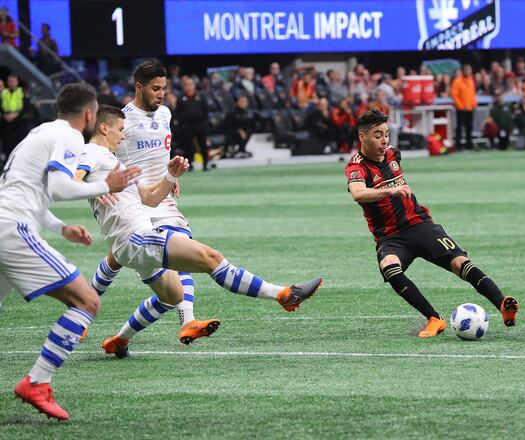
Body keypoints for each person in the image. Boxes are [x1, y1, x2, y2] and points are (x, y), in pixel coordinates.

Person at [75, 106, 322, 357]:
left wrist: (170, 176)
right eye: (120, 130)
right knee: (211, 259)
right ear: (104, 128)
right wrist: (94, 188)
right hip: (137, 238)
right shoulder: (92, 152)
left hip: (130, 244)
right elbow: (66, 180)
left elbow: (150, 198)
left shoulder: (115, 162)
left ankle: (119, 341)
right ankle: (284, 294)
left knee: (173, 297)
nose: (123, 136)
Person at [2, 84, 140, 420]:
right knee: (87, 301)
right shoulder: (70, 136)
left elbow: (26, 192)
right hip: (12, 230)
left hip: (6, 221)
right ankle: (37, 383)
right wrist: (107, 185)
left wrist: (60, 228)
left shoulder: (38, 133)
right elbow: (58, 187)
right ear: (90, 115)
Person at [344, 110, 519, 337]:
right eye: (378, 135)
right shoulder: (356, 166)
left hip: (421, 225)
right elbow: (358, 193)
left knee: (459, 262)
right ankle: (434, 319)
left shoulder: (393, 155)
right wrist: (391, 190)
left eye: (386, 134)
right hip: (391, 237)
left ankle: (502, 304)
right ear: (362, 137)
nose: (384, 140)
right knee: (389, 267)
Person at [87, 61, 213, 344]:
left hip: (160, 197)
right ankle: (85, 311)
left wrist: (170, 176)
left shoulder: (165, 113)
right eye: (156, 88)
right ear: (139, 87)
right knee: (127, 256)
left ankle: (186, 321)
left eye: (164, 88)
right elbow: (98, 152)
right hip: (133, 197)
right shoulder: (123, 119)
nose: (161, 94)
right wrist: (98, 185)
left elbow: (159, 152)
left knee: (154, 254)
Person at [451, 65, 477, 150]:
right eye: (466, 70)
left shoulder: (471, 80)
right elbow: (454, 95)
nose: (468, 71)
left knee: (469, 127)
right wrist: (460, 106)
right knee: (459, 127)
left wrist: (474, 104)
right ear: (463, 70)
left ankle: (469, 145)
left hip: (470, 108)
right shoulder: (457, 81)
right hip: (461, 109)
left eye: (469, 70)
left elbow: (472, 94)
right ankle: (458, 145)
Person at [2, 74, 26, 157]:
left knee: (19, 140)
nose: (12, 83)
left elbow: (26, 105)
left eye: (13, 81)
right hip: (6, 119)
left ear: (17, 82)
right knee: (6, 140)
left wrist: (16, 114)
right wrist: (4, 115)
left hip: (19, 119)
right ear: (7, 82)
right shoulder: (4, 92)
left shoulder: (21, 92)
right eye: (10, 81)